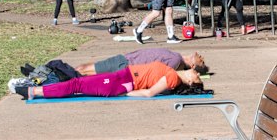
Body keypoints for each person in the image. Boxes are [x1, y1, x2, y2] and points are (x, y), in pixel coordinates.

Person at [12, 61, 202, 100]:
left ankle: (34, 92)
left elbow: (149, 93)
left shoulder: (172, 79)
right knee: (78, 80)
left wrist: (126, 91)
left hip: (119, 83)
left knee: (76, 84)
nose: (197, 73)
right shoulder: (173, 72)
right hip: (120, 77)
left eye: (198, 77)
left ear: (192, 83)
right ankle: (41, 78)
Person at [75, 48, 208, 76]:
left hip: (125, 65)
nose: (201, 56)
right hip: (126, 60)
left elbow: (157, 74)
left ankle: (61, 77)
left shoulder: (176, 61)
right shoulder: (176, 55)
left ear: (192, 66)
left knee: (86, 70)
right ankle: (62, 76)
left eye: (201, 61)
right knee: (86, 69)